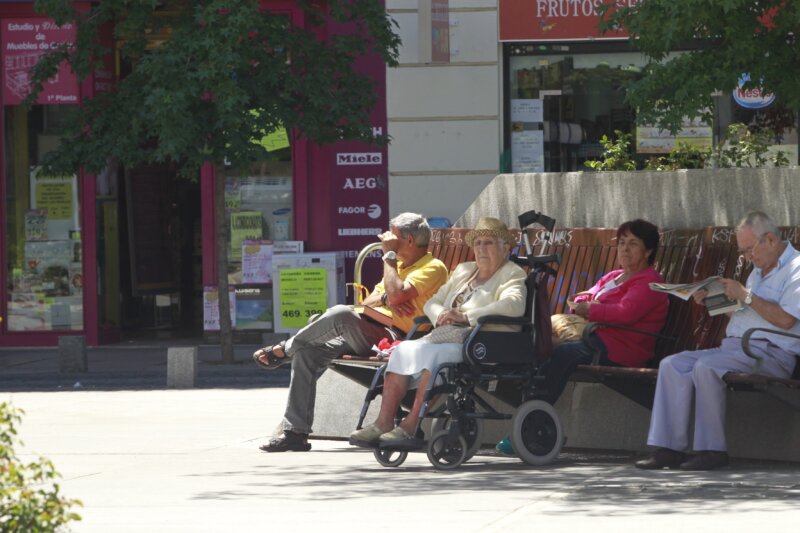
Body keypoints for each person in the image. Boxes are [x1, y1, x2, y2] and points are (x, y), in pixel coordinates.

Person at [254, 213, 448, 452]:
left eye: (392, 235)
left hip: (399, 337)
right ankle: (295, 432)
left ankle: (285, 350)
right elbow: (371, 300)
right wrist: (390, 296)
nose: (384, 238)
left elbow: (395, 295)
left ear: (409, 241)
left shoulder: (432, 267)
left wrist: (389, 265)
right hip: (371, 329)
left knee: (341, 314)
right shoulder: (398, 267)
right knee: (308, 353)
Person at [636, 211, 800, 471]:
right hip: (736, 348)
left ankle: (711, 450)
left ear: (769, 239)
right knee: (672, 364)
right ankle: (668, 449)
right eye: (743, 252)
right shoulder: (759, 271)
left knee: (707, 367)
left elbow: (786, 321)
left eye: (748, 250)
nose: (746, 257)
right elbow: (748, 313)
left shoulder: (795, 270)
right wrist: (713, 300)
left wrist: (745, 296)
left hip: (772, 354)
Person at [349, 217, 526, 448]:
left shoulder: (512, 273)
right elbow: (433, 302)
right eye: (478, 243)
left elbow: (514, 305)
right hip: (449, 335)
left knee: (434, 358)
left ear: (505, 248)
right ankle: (383, 423)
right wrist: (442, 314)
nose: (482, 248)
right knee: (403, 350)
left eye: (489, 243)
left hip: (485, 340)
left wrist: (465, 316)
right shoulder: (465, 270)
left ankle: (411, 426)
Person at [497, 218, 669, 455]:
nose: (625, 249)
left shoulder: (650, 281)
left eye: (633, 244)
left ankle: (530, 425)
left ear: (648, 251)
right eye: (621, 243)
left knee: (563, 353)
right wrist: (584, 304)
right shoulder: (614, 276)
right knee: (536, 343)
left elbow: (626, 313)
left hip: (623, 347)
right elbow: (583, 296)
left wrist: (592, 309)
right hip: (595, 338)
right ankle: (530, 416)